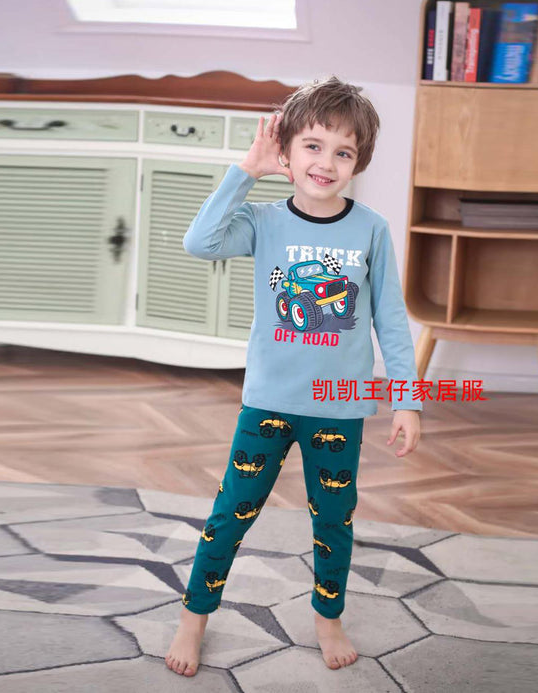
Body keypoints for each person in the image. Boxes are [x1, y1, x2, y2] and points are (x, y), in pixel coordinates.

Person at [165, 74, 422, 678]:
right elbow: (200, 242)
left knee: (334, 521)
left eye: (343, 152)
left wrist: (407, 399)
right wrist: (246, 172)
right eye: (312, 145)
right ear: (286, 151)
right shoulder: (263, 221)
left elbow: (389, 319)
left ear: (359, 163)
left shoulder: (371, 229)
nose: (326, 163)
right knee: (231, 512)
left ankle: (328, 618)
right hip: (269, 402)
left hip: (340, 406)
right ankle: (194, 616)